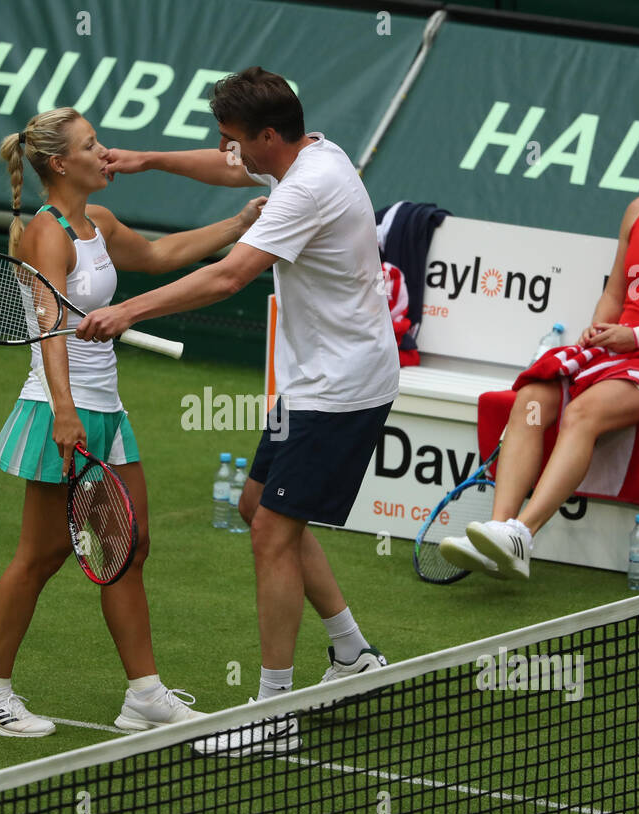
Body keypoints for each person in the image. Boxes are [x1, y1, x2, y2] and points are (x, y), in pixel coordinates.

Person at [77, 67, 399, 755]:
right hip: (312, 383)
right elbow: (228, 171)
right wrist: (149, 159)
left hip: (340, 391)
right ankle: (353, 655)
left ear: (270, 135)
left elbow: (226, 275)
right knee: (260, 509)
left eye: (235, 141)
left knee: (271, 536)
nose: (231, 153)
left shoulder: (308, 188)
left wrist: (126, 308)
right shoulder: (308, 154)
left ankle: (274, 713)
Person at [0, 107, 267, 737]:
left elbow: (156, 255)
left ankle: (144, 696)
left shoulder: (95, 222)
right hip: (58, 409)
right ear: (59, 163)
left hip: (108, 410)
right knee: (40, 556)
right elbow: (48, 326)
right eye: (92, 146)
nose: (106, 154)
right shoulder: (47, 234)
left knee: (129, 546)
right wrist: (66, 415)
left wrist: (238, 224)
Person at [440, 102, 639, 580]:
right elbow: (615, 292)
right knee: (529, 399)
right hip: (620, 350)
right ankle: (498, 532)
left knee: (583, 412)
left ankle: (523, 534)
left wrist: (638, 335)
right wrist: (598, 333)